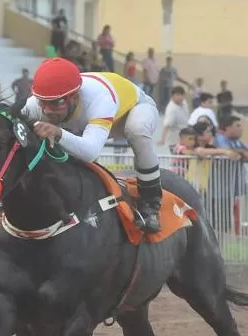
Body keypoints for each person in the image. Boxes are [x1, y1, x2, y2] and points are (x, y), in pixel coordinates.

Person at [23, 57, 164, 232]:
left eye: (56, 103)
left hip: (132, 110)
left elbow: (90, 152)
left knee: (136, 130)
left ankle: (151, 203)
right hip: (85, 119)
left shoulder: (100, 100)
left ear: (75, 96)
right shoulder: (35, 105)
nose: (46, 110)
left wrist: (58, 132)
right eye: (41, 101)